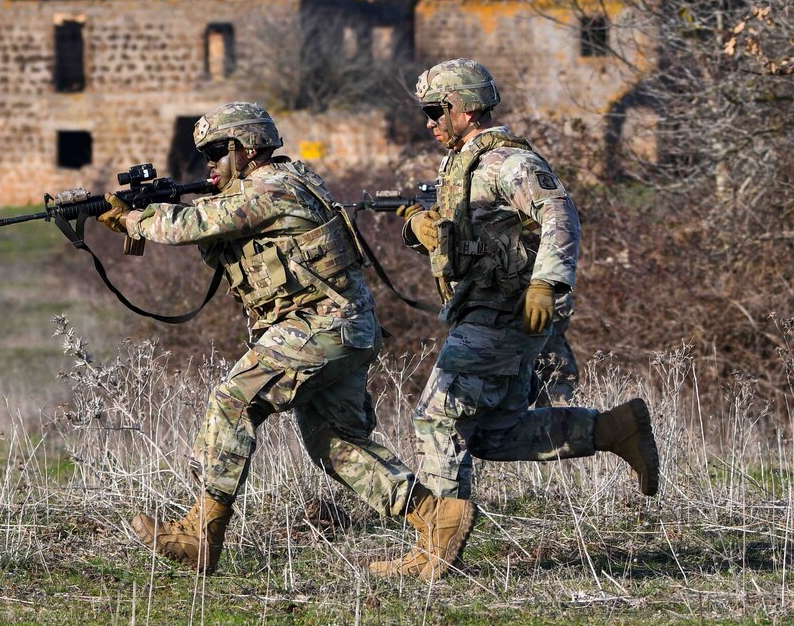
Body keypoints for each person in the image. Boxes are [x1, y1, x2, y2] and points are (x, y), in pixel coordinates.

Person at [96, 102, 455, 576]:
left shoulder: (272, 187)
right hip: (342, 329)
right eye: (205, 154)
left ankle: (201, 534)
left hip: (321, 326)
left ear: (246, 149)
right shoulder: (280, 183)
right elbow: (221, 231)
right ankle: (438, 520)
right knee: (336, 445)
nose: (210, 163)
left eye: (218, 151)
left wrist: (134, 220)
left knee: (233, 401)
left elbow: (192, 225)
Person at [375, 59, 660, 581]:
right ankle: (614, 429)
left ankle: (435, 552)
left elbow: (559, 213)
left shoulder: (506, 163)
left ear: (464, 109)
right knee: (491, 433)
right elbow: (470, 243)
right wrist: (422, 225)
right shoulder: (464, 165)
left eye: (435, 110)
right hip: (491, 309)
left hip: (504, 312)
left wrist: (546, 283)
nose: (429, 122)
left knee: (438, 418)